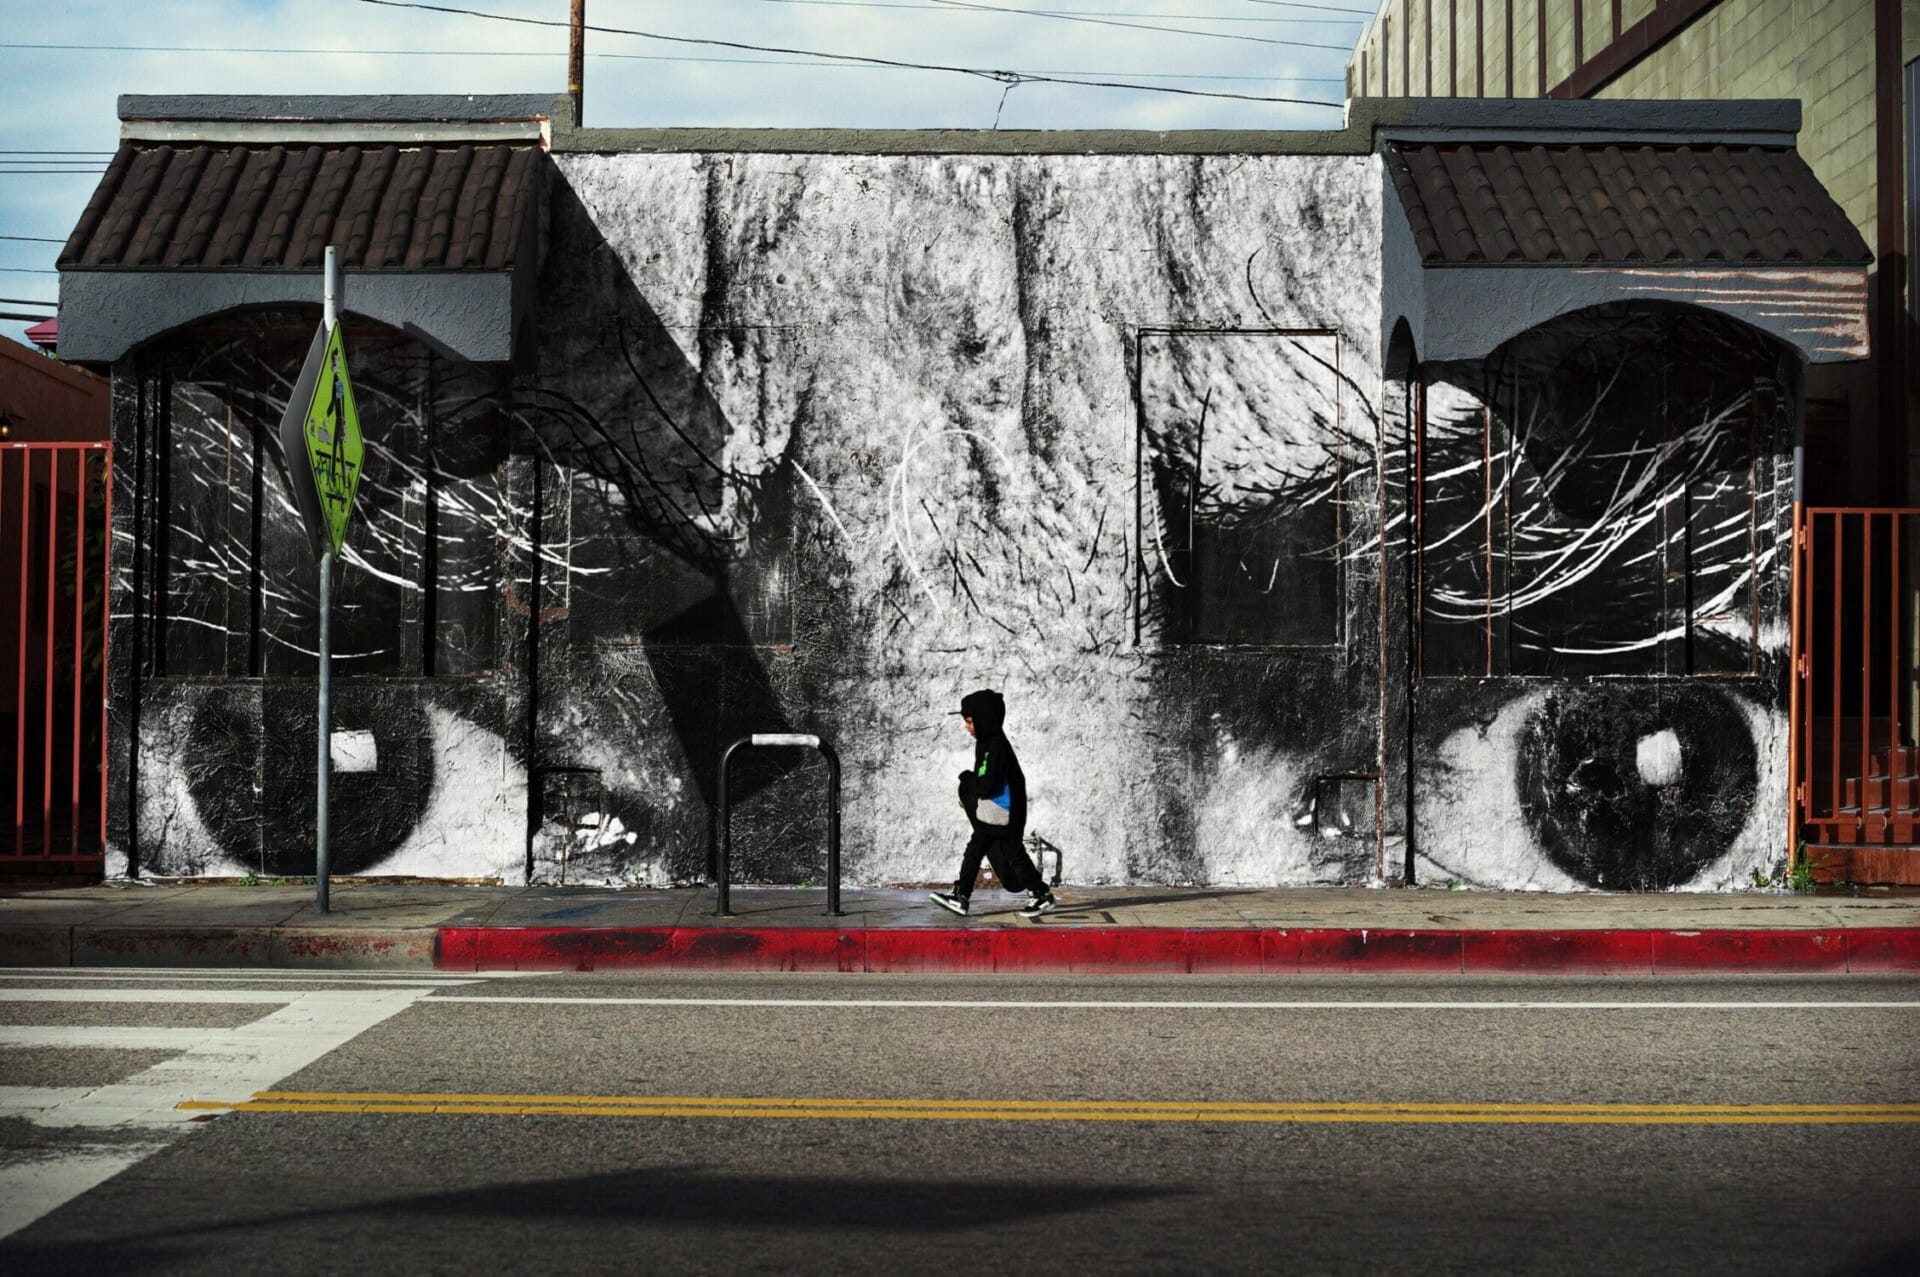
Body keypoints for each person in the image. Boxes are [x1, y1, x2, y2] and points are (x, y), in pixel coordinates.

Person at [930, 688, 1057, 918]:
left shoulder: (995, 745)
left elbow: (986, 783)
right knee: (1005, 851)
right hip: (996, 811)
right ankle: (1040, 894)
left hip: (1004, 812)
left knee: (984, 849)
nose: (967, 726)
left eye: (970, 721)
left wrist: (966, 780)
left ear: (983, 719)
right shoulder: (987, 742)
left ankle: (962, 896)